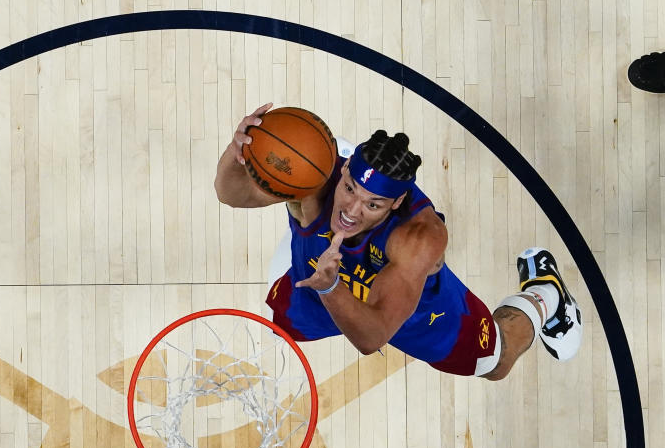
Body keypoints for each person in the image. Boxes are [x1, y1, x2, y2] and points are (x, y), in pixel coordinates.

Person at [213, 104, 582, 379]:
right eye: (350, 189)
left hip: (405, 309)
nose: (352, 211)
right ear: (342, 171)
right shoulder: (318, 177)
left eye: (373, 204)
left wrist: (332, 288)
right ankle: (307, 231)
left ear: (398, 203)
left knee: (496, 363)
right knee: (281, 319)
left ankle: (546, 294)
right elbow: (231, 195)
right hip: (320, 283)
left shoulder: (418, 239)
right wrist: (238, 153)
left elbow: (372, 336)